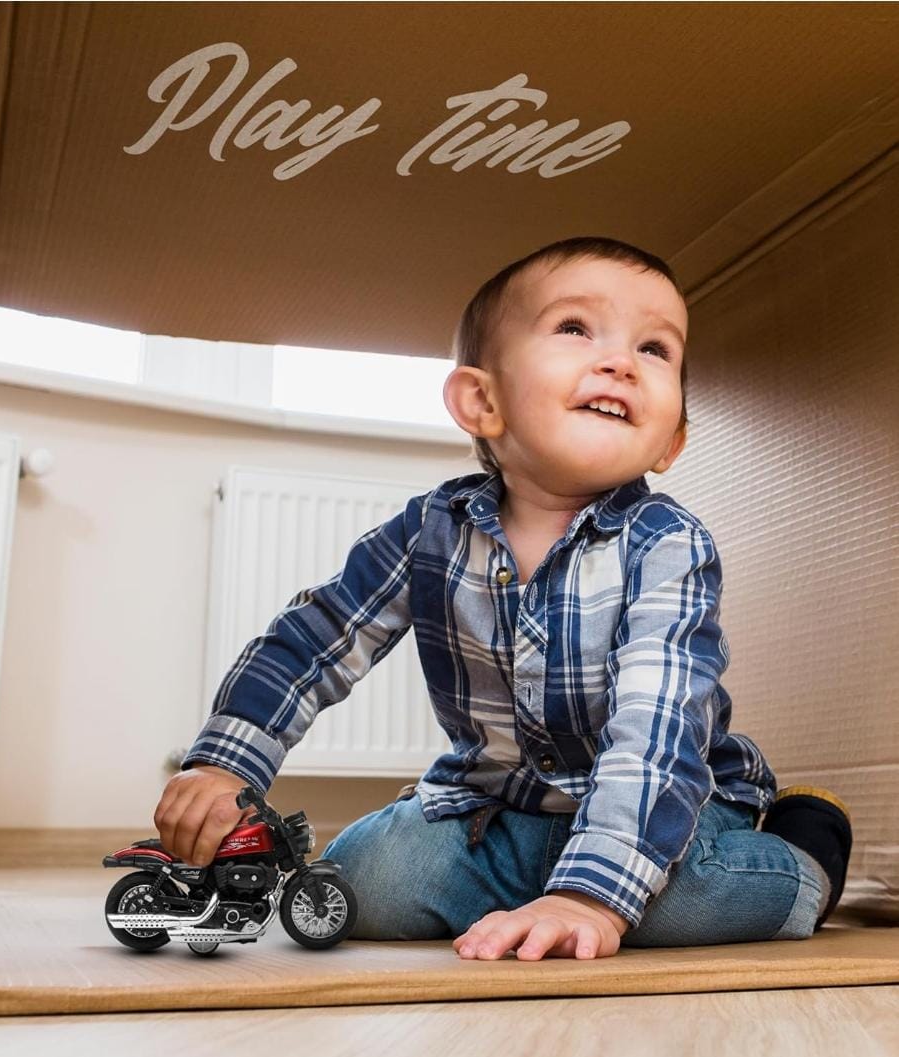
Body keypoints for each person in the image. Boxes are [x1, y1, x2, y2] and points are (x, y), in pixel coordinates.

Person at [154, 235, 853, 961]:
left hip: (662, 806)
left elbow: (658, 727)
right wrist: (224, 764)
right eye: (575, 328)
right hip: (497, 808)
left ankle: (805, 850)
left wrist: (594, 895)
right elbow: (313, 640)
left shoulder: (667, 543)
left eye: (654, 348)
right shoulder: (429, 531)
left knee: (675, 905)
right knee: (360, 887)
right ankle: (535, 887)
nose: (618, 360)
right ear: (480, 400)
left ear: (669, 442)